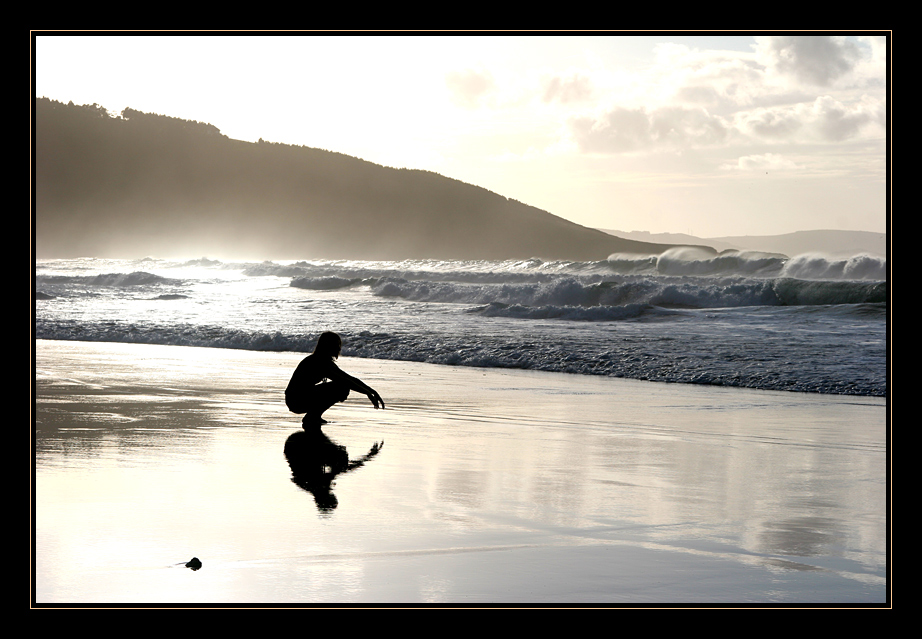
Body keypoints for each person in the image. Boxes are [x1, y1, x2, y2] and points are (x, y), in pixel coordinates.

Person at [286, 332, 385, 428]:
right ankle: (312, 417)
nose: (339, 348)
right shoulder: (320, 362)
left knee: (342, 385)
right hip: (296, 401)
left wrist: (371, 391)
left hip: (298, 398)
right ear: (328, 346)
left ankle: (313, 416)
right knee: (341, 387)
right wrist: (367, 393)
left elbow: (349, 378)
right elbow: (345, 381)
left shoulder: (323, 360)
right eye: (336, 344)